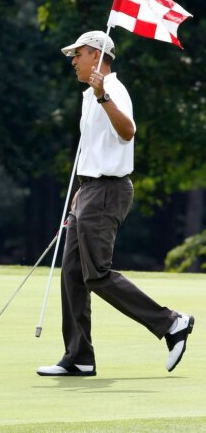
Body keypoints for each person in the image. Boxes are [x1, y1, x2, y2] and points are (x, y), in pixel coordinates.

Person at [37, 31, 194, 377]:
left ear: (96, 54)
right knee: (73, 274)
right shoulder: (90, 96)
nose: (73, 61)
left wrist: (103, 95)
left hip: (109, 191)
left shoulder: (112, 91)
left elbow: (127, 131)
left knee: (97, 274)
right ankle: (79, 356)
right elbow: (96, 149)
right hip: (91, 189)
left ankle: (171, 322)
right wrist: (82, 187)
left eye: (77, 54)